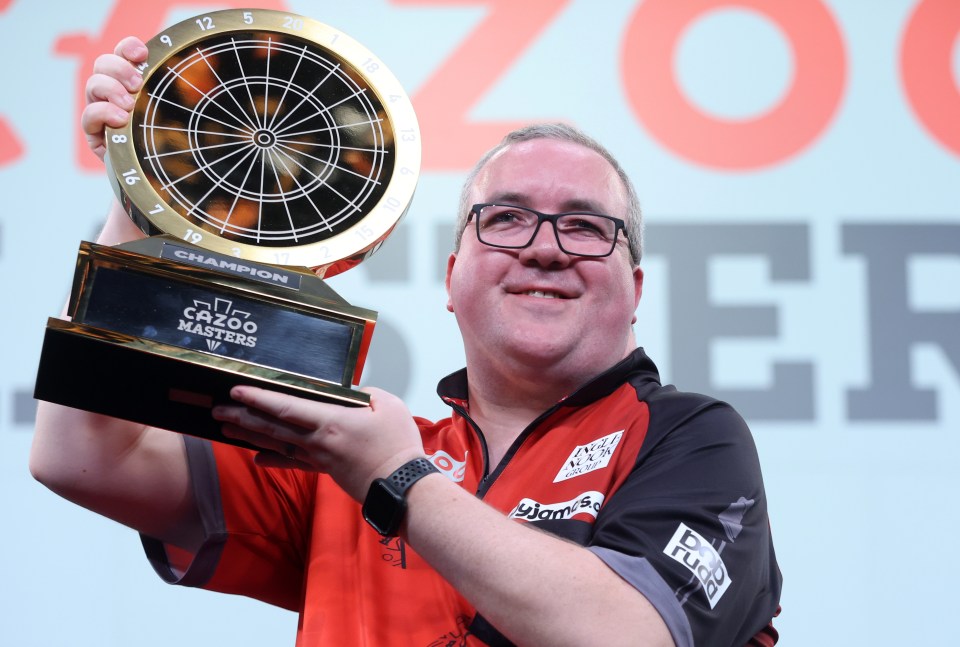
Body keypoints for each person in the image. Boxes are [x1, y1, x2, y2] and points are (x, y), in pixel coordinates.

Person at [31, 36, 782, 647]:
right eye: (507, 218)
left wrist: (393, 476)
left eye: (585, 226)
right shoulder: (341, 459)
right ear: (453, 280)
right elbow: (83, 454)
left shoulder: (690, 439)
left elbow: (628, 636)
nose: (545, 248)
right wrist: (146, 198)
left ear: (637, 289)